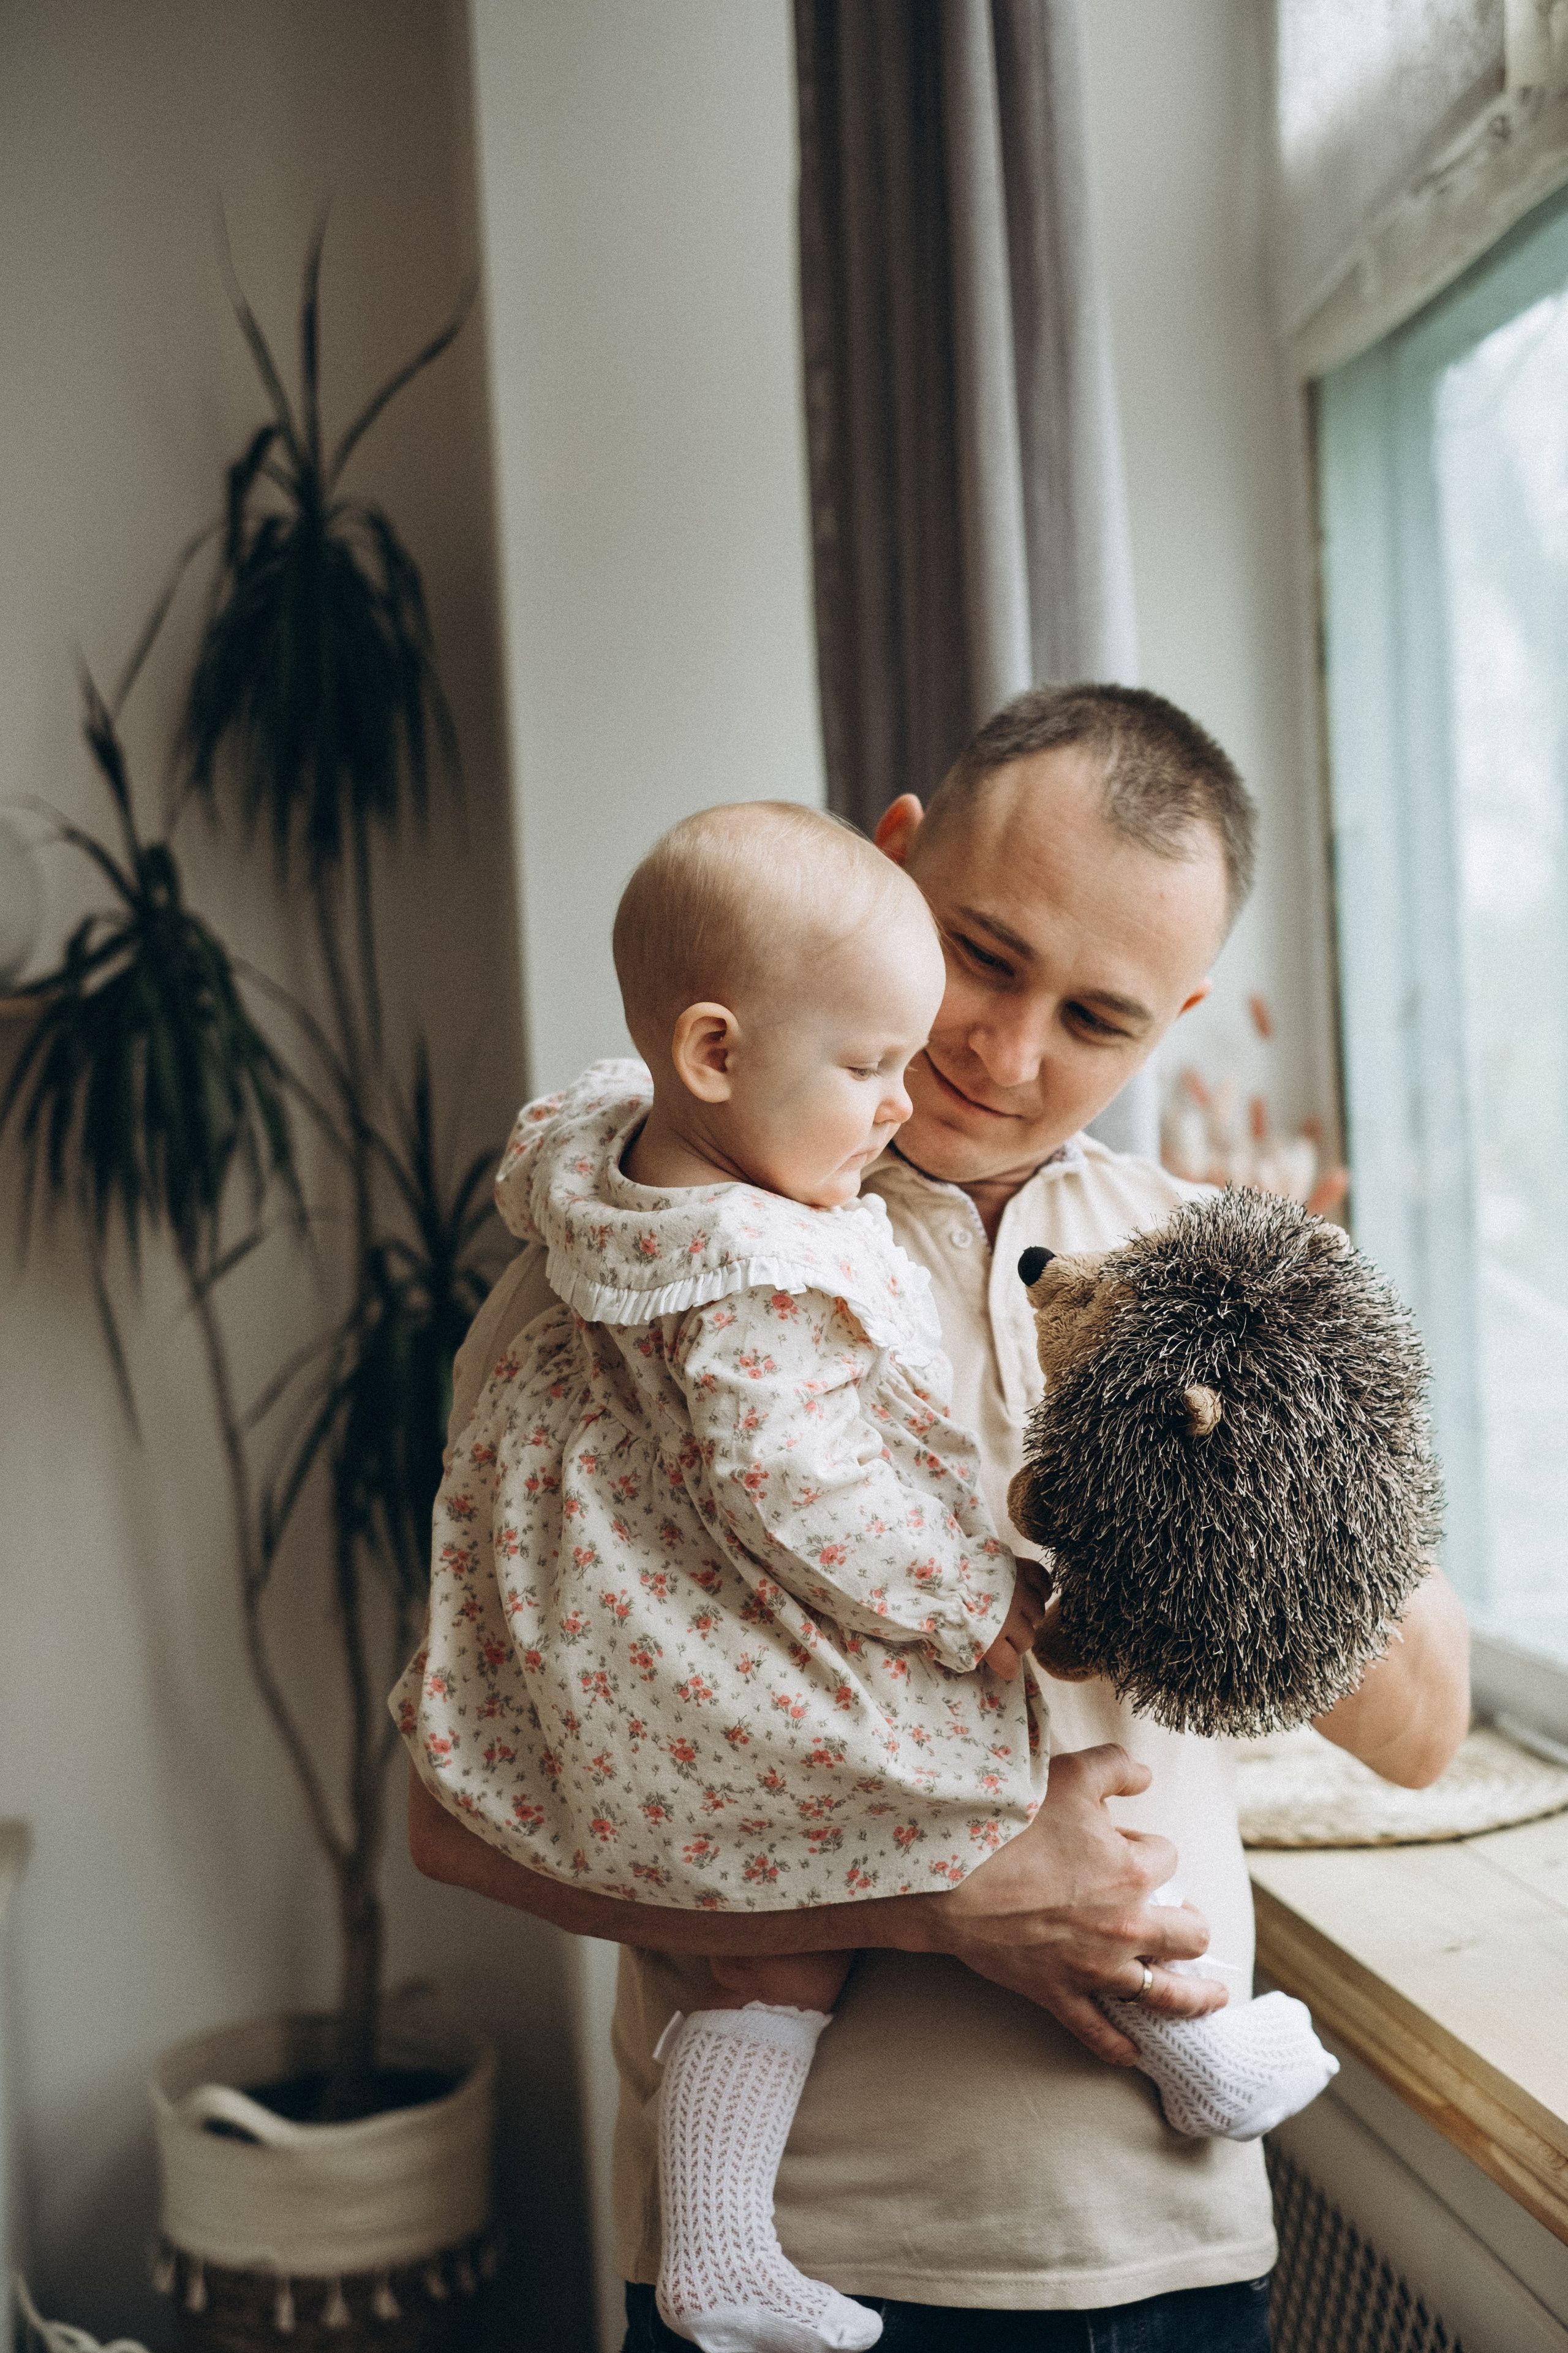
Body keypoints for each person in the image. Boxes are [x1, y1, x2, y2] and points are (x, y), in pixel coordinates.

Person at [410, 686, 1471, 2353]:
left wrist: (1236, 1464)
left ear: (1176, 1015)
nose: (1007, 1048)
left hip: (1175, 2253)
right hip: (802, 2258)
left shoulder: (1224, 1271)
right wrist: (935, 1900)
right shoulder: (642, 1264)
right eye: (983, 951)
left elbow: (1424, 1729)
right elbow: (462, 1814)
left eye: (1100, 1017)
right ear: (891, 856)